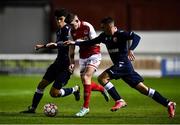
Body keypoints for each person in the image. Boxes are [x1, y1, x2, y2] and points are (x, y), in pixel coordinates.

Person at [64, 17, 176, 118]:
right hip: (126, 69)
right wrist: (74, 42)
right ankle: (168, 103)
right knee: (144, 90)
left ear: (111, 26)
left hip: (123, 64)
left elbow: (136, 37)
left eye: (105, 28)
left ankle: (119, 100)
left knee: (102, 78)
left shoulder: (121, 34)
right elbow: (90, 42)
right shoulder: (104, 36)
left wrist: (131, 49)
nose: (103, 30)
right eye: (102, 28)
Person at [20, 8, 80, 114]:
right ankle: (33, 108)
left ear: (66, 19)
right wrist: (43, 46)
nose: (58, 22)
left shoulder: (69, 30)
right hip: (57, 64)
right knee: (41, 85)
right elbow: (56, 45)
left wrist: (71, 63)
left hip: (66, 66)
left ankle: (74, 89)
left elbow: (71, 47)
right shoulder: (59, 31)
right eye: (57, 19)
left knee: (54, 93)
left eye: (61, 19)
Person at [64, 13, 110, 117]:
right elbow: (71, 48)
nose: (72, 27)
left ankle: (85, 108)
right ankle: (102, 89)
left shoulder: (87, 26)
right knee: (86, 83)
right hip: (82, 57)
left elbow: (95, 42)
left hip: (94, 54)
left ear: (77, 20)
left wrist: (80, 42)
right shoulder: (71, 31)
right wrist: (71, 62)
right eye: (70, 25)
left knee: (86, 77)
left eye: (73, 24)